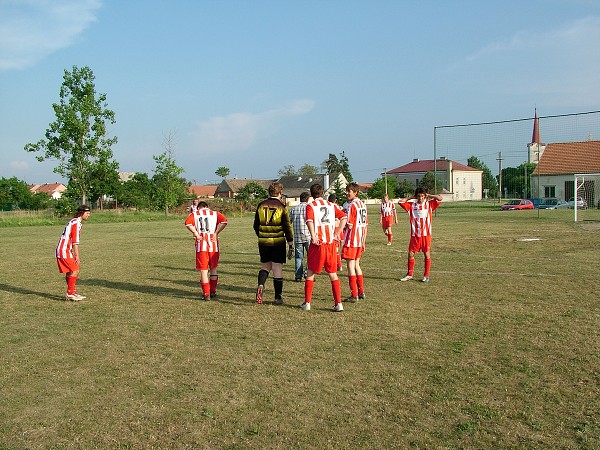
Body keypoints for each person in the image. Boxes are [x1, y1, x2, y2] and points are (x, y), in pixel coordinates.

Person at [301, 184, 347, 312]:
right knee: (333, 273)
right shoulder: (331, 205)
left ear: (311, 194)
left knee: (310, 272)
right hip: (331, 243)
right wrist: (337, 233)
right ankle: (338, 303)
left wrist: (313, 235)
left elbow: (309, 221)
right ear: (322, 193)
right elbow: (344, 217)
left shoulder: (311, 206)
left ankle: (307, 303)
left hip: (318, 244)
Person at [253, 182, 294, 305]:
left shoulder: (261, 205)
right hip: (278, 242)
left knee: (265, 266)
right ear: (280, 193)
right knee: (277, 269)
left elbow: (256, 225)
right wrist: (290, 244)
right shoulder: (282, 207)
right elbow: (287, 227)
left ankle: (261, 285)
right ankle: (277, 297)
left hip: (263, 241)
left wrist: (261, 235)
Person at [185, 201, 228, 300]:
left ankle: (206, 294)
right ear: (207, 207)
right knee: (213, 268)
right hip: (213, 245)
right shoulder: (215, 213)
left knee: (204, 271)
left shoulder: (195, 214)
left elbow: (187, 223)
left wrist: (196, 233)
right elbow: (224, 221)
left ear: (199, 207)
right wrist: (216, 233)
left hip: (201, 245)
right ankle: (213, 291)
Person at [398, 187, 442, 282]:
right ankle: (410, 274)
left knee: (426, 254)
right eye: (418, 196)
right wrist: (411, 197)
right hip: (415, 235)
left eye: (422, 196)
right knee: (410, 253)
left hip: (426, 235)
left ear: (425, 196)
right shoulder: (411, 206)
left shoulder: (429, 204)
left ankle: (426, 275)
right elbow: (401, 202)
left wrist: (429, 195)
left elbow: (440, 198)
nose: (420, 198)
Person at [56, 205, 91, 301]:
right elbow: (75, 241)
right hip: (64, 250)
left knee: (70, 271)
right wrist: (77, 255)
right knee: (75, 270)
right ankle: (70, 293)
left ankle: (72, 292)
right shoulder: (76, 223)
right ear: (82, 213)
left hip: (64, 249)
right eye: (87, 213)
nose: (89, 215)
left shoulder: (74, 221)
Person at [342, 182, 368, 302]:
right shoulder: (362, 204)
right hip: (359, 239)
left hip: (352, 240)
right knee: (357, 265)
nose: (347, 193)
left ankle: (354, 294)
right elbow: (365, 224)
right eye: (347, 191)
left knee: (350, 266)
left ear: (355, 192)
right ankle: (361, 291)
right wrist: (363, 241)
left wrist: (341, 223)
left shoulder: (352, 205)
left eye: (349, 191)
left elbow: (350, 225)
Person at [289, 191, 311, 282]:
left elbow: (289, 221)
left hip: (297, 236)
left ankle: (298, 275)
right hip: (308, 236)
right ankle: (307, 273)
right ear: (308, 199)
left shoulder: (293, 209)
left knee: (298, 257)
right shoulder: (309, 208)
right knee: (311, 256)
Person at [328, 193, 344, 272]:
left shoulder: (330, 206)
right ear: (335, 200)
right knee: (336, 248)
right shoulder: (338, 207)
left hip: (333, 229)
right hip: (338, 228)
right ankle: (336, 263)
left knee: (334, 249)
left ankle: (338, 265)